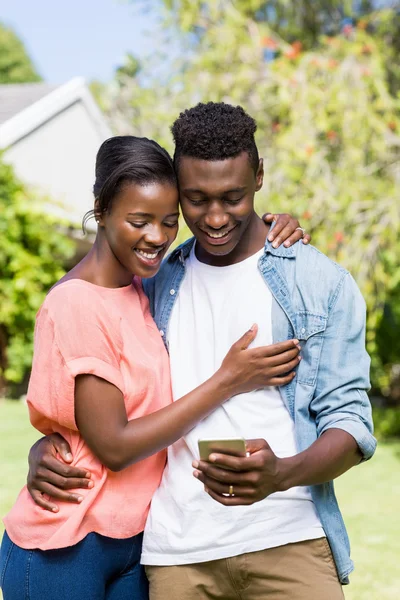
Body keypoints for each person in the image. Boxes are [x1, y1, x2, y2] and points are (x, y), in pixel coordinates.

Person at [23, 102, 375, 599]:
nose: (214, 218)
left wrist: (282, 474)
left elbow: (352, 422)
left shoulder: (318, 283)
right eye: (195, 200)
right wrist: (49, 445)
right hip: (176, 553)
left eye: (232, 197)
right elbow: (80, 338)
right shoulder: (153, 279)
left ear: (258, 176)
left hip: (290, 541)